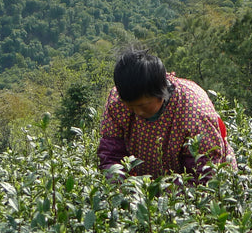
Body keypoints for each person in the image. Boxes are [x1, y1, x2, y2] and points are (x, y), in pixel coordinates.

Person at [97, 47, 235, 183]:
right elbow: (111, 154)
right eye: (130, 106)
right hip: (144, 187)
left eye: (142, 106)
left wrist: (167, 199)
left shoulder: (194, 110)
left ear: (161, 92)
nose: (137, 112)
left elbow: (203, 175)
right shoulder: (117, 102)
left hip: (194, 189)